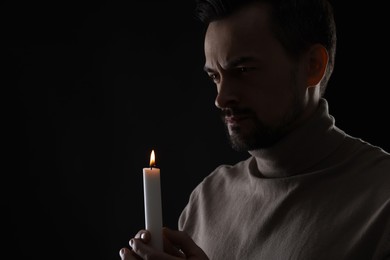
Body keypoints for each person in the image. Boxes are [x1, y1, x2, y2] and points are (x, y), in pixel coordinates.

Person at [120, 0, 390, 259]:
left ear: (312, 66)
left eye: (244, 70)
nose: (221, 98)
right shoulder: (208, 199)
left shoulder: (381, 199)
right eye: (215, 76)